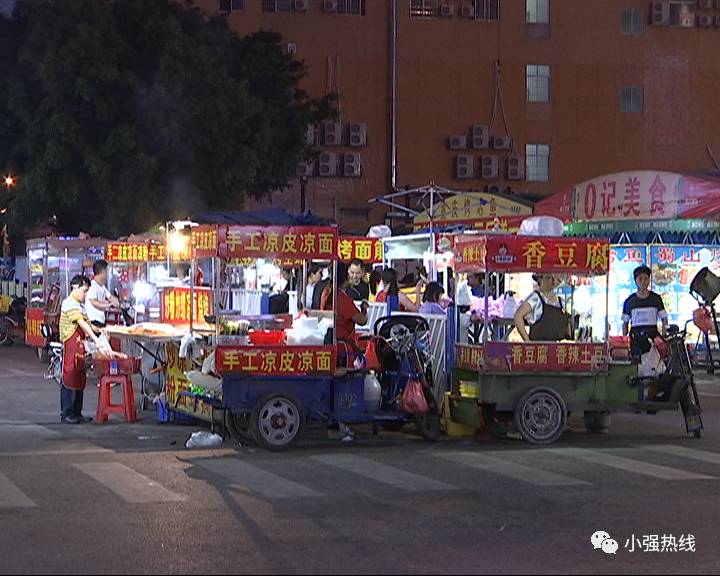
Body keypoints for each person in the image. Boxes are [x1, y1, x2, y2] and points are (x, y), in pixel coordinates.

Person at [59, 275, 104, 424]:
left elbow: (88, 324)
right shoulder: (69, 303)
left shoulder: (80, 305)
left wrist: (102, 330)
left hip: (80, 348)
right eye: (84, 291)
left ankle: (77, 412)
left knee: (79, 379)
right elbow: (81, 323)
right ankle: (67, 413)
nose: (85, 295)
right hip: (70, 348)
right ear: (75, 288)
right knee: (69, 377)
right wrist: (96, 339)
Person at [622, 265, 668, 354]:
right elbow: (625, 323)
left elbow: (664, 319)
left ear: (649, 280)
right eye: (640, 279)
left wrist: (663, 336)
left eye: (646, 278)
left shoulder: (656, 299)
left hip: (653, 338)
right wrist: (624, 340)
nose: (643, 282)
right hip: (635, 339)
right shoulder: (629, 301)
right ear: (635, 281)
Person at [513, 274, 570, 342]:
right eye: (549, 277)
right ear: (540, 279)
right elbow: (518, 316)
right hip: (539, 348)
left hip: (557, 348)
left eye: (556, 278)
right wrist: (527, 341)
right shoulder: (535, 298)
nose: (554, 281)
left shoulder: (561, 302)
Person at [85, 259, 119, 329]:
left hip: (101, 322)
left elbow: (110, 297)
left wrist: (118, 304)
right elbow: (94, 303)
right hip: (93, 322)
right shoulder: (92, 286)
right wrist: (109, 305)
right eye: (107, 271)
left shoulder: (102, 287)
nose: (107, 273)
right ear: (103, 271)